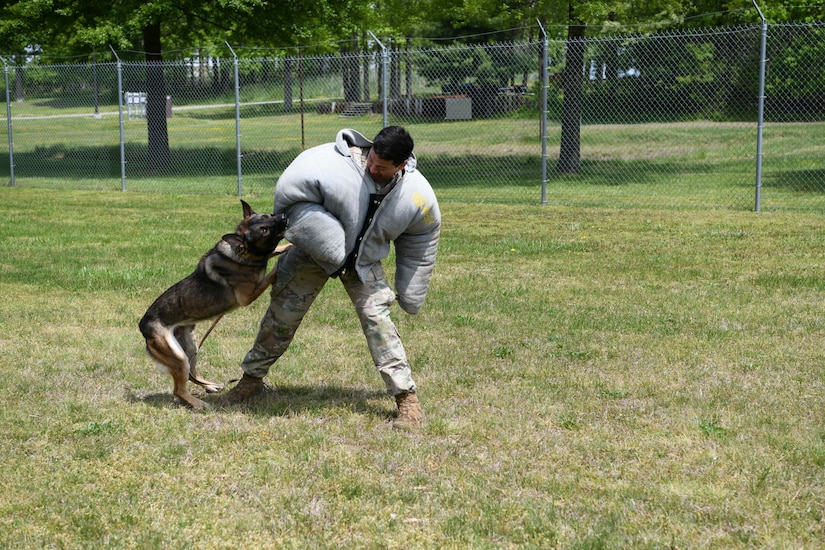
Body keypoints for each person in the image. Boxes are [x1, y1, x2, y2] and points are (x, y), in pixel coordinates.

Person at [224, 126, 441, 429]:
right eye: (372, 161)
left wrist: (411, 288)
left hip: (364, 264)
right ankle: (251, 380)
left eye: (382, 167)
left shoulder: (416, 194)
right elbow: (291, 199)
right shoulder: (330, 165)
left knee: (379, 324)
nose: (374, 168)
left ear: (401, 165)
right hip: (312, 253)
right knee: (281, 317)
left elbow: (423, 236)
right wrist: (319, 237)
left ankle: (407, 399)